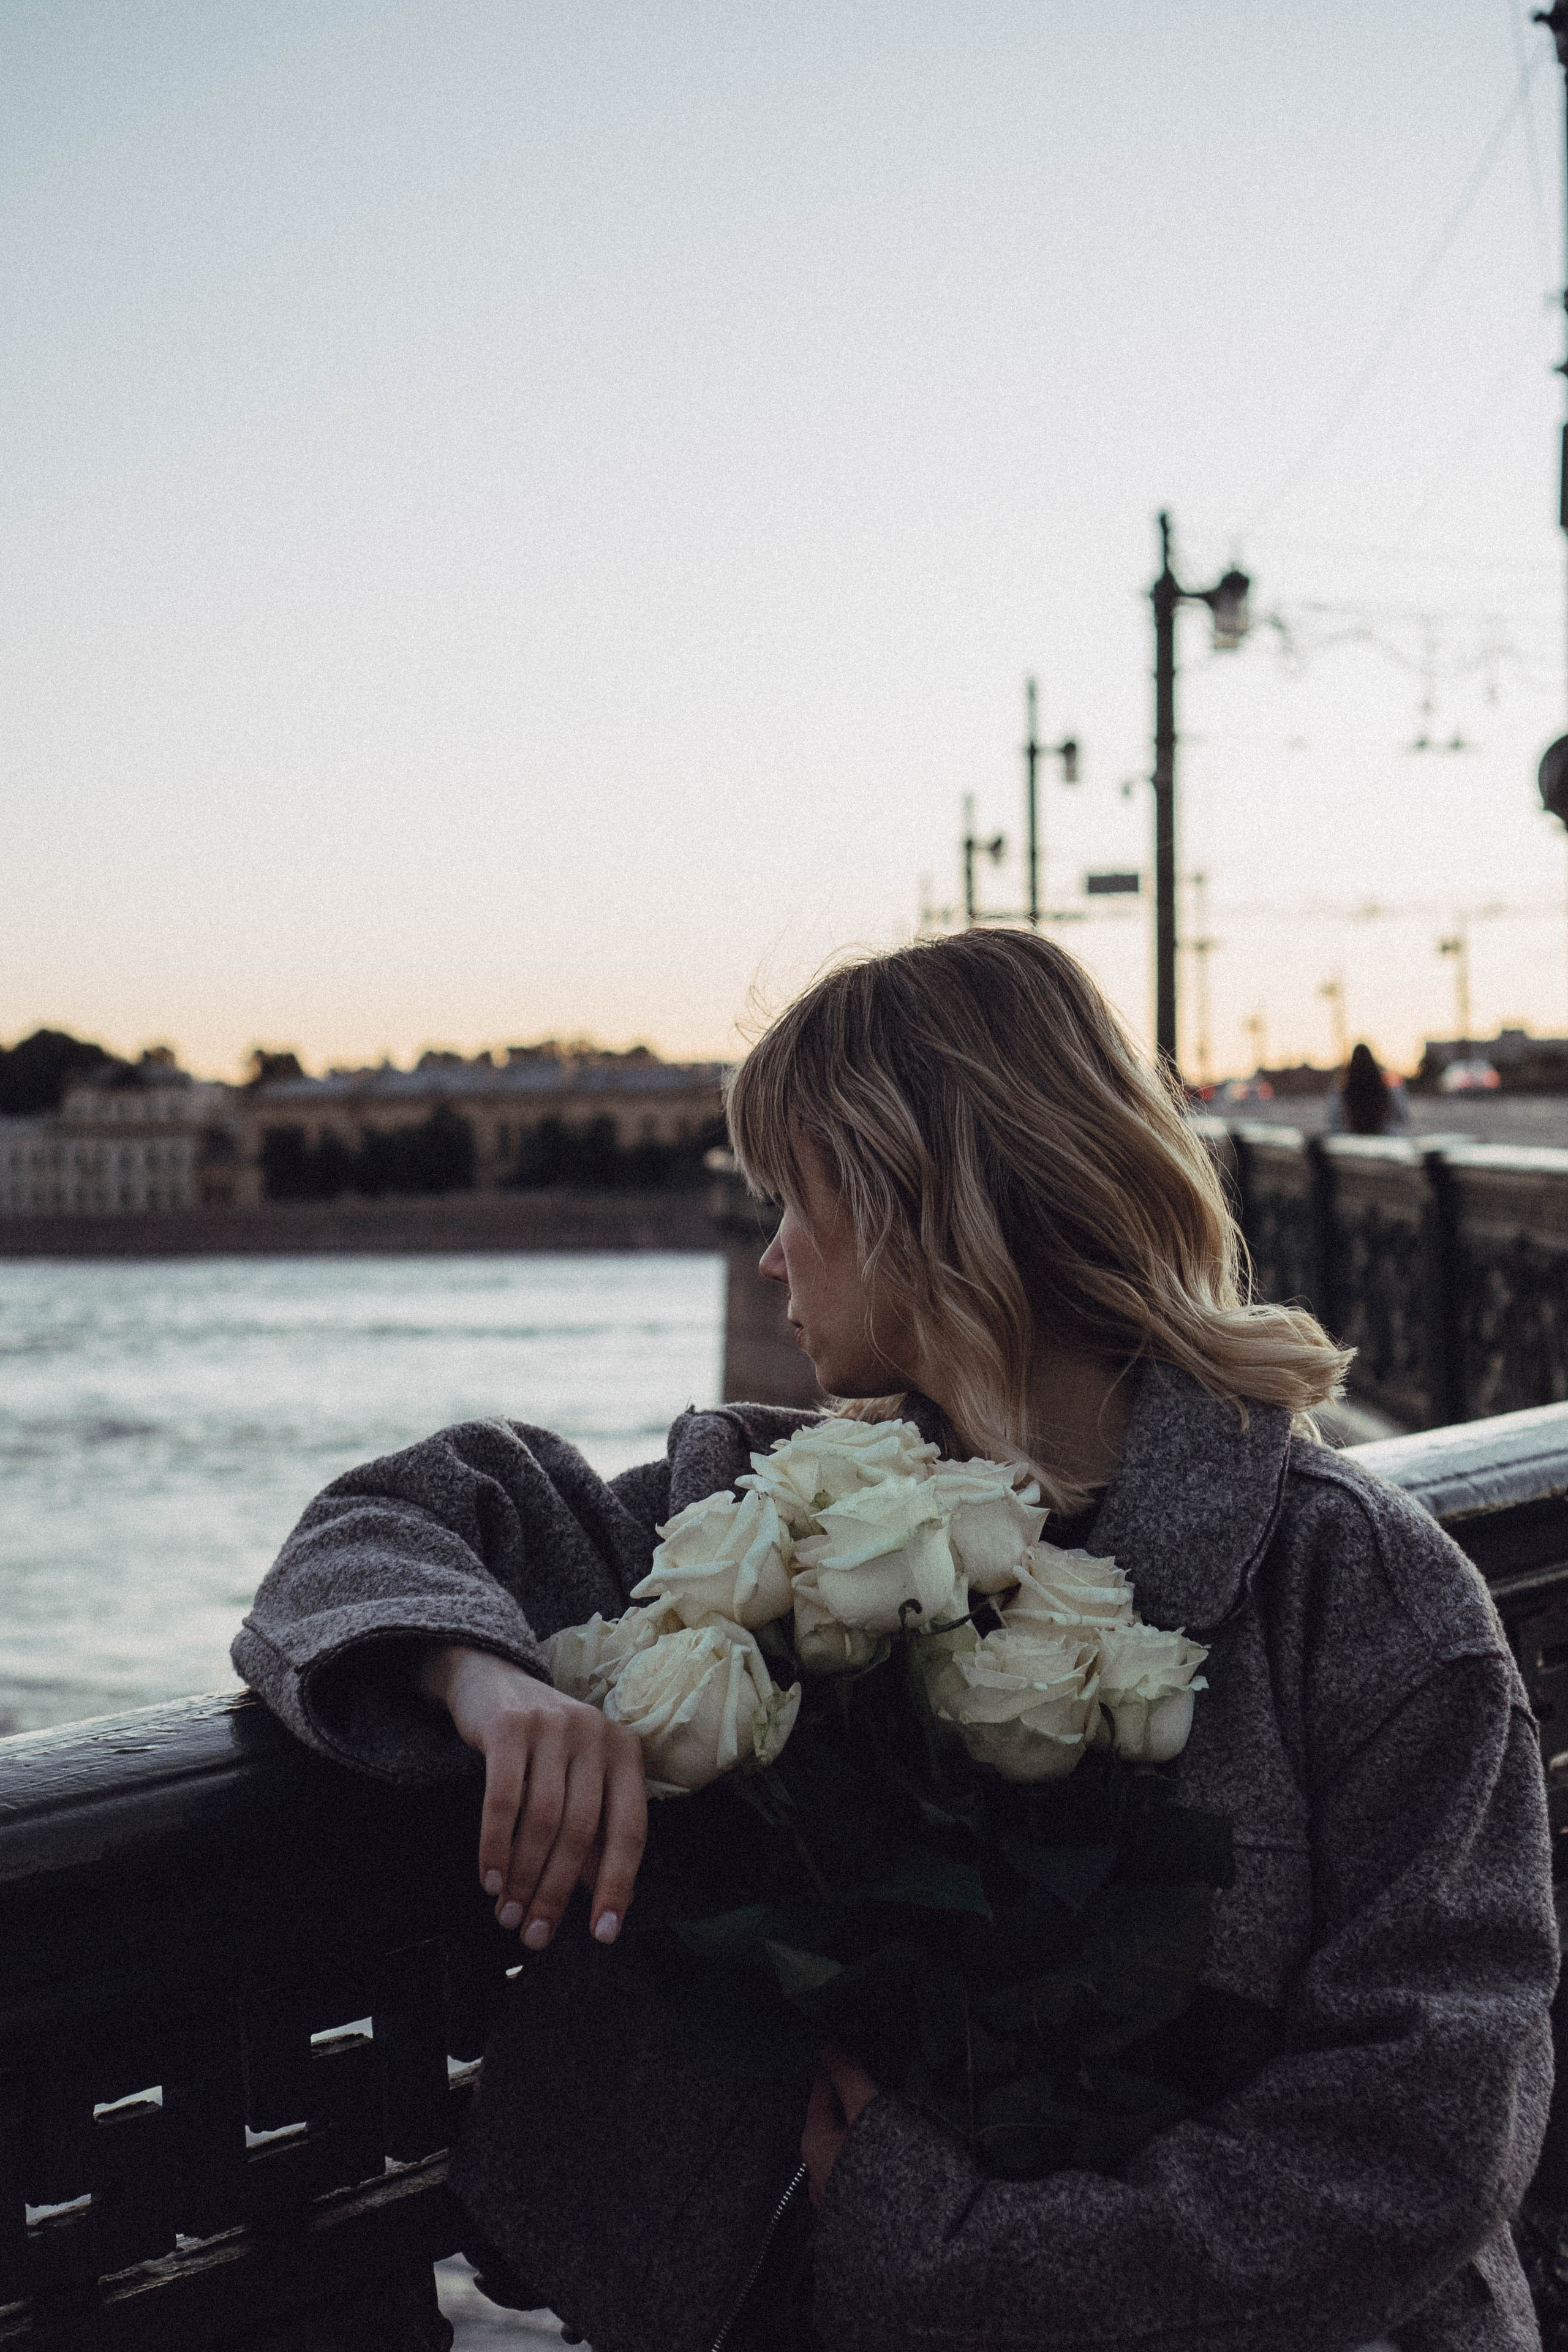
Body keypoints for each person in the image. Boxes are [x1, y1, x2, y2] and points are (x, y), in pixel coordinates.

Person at [233, 931, 1555, 2352]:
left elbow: (1423, 2131)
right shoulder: (761, 1513)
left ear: (918, 1200)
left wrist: (945, 2251)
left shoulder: (1355, 1589)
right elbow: (378, 1525)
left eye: (790, 1200)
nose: (768, 1254)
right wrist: (484, 1680)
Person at [1325, 1040, 1412, 1136]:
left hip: (1352, 1139)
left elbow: (1333, 1121)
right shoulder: (1389, 1088)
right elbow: (1402, 1116)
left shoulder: (1341, 1089)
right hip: (1385, 1138)